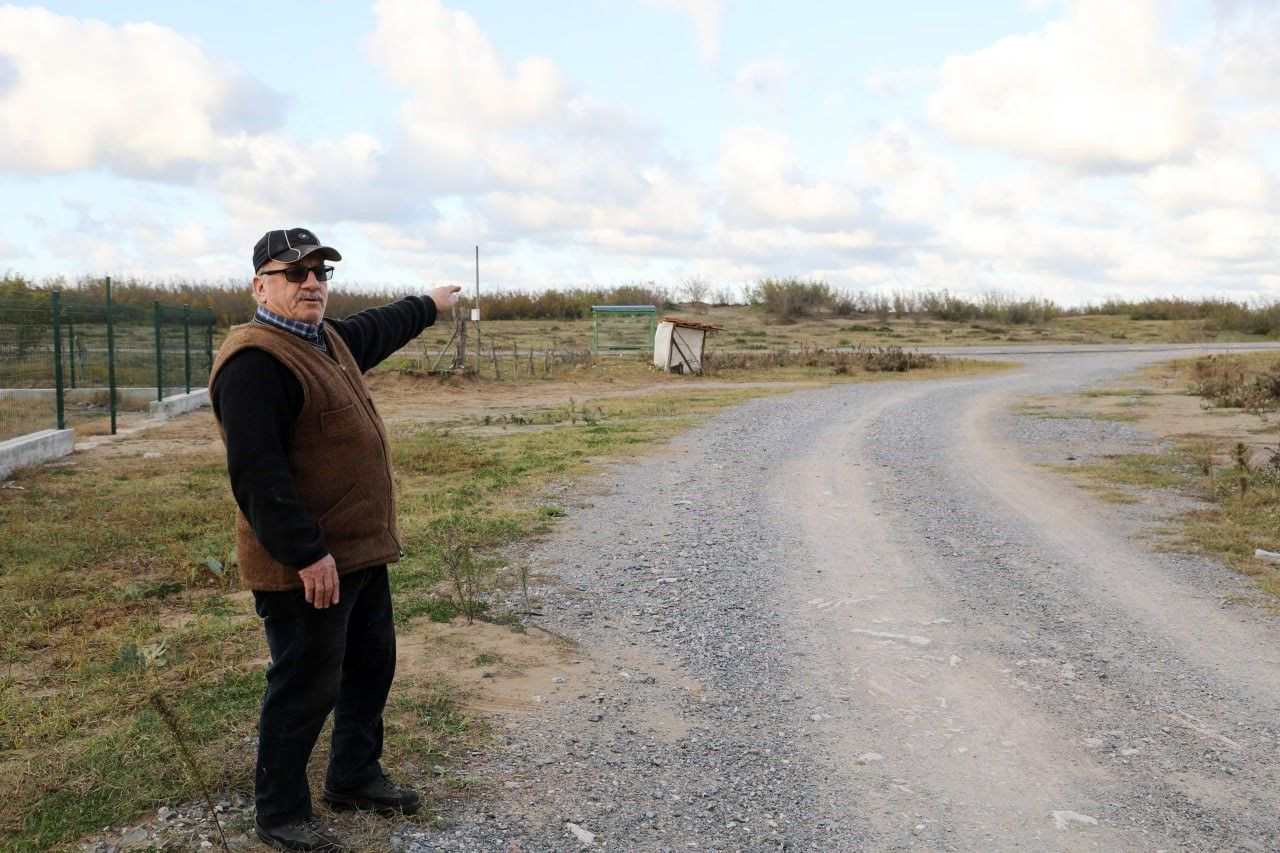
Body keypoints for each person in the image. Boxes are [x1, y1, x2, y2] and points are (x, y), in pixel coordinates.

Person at [209, 227, 461, 852]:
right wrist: (306, 553)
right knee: (304, 684)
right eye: (294, 273)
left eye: (320, 273)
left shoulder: (328, 340)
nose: (312, 284)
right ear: (259, 285)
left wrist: (430, 304)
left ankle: (352, 776)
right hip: (309, 564)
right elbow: (257, 475)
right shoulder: (255, 363)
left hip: (359, 550)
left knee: (370, 667)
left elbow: (381, 324)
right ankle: (280, 812)